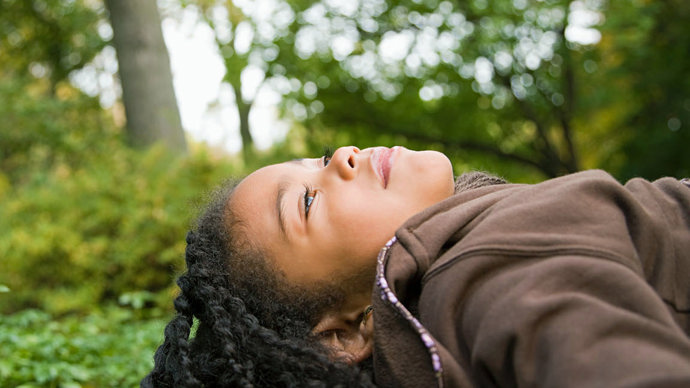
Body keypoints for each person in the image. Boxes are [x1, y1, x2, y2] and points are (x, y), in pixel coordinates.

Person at [142, 146, 690, 388]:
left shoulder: (462, 254)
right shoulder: (486, 266)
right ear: (344, 334)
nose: (340, 158)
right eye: (307, 201)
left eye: (317, 157)